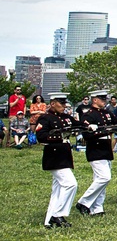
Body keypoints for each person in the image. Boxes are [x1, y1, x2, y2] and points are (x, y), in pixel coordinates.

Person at [36, 93, 77, 228]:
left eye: (65, 103)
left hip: (64, 153)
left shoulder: (66, 117)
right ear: (53, 103)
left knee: (58, 190)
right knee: (70, 184)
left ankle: (49, 221)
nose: (64, 106)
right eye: (61, 103)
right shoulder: (45, 118)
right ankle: (58, 215)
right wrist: (59, 135)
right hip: (54, 154)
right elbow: (41, 136)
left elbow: (78, 125)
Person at [76, 90, 116, 217]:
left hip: (106, 147)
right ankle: (84, 202)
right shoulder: (88, 115)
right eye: (102, 99)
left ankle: (97, 208)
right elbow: (86, 135)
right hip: (96, 148)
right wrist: (100, 131)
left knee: (100, 180)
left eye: (105, 99)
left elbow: (116, 123)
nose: (104, 101)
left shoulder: (107, 113)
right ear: (94, 100)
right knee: (104, 177)